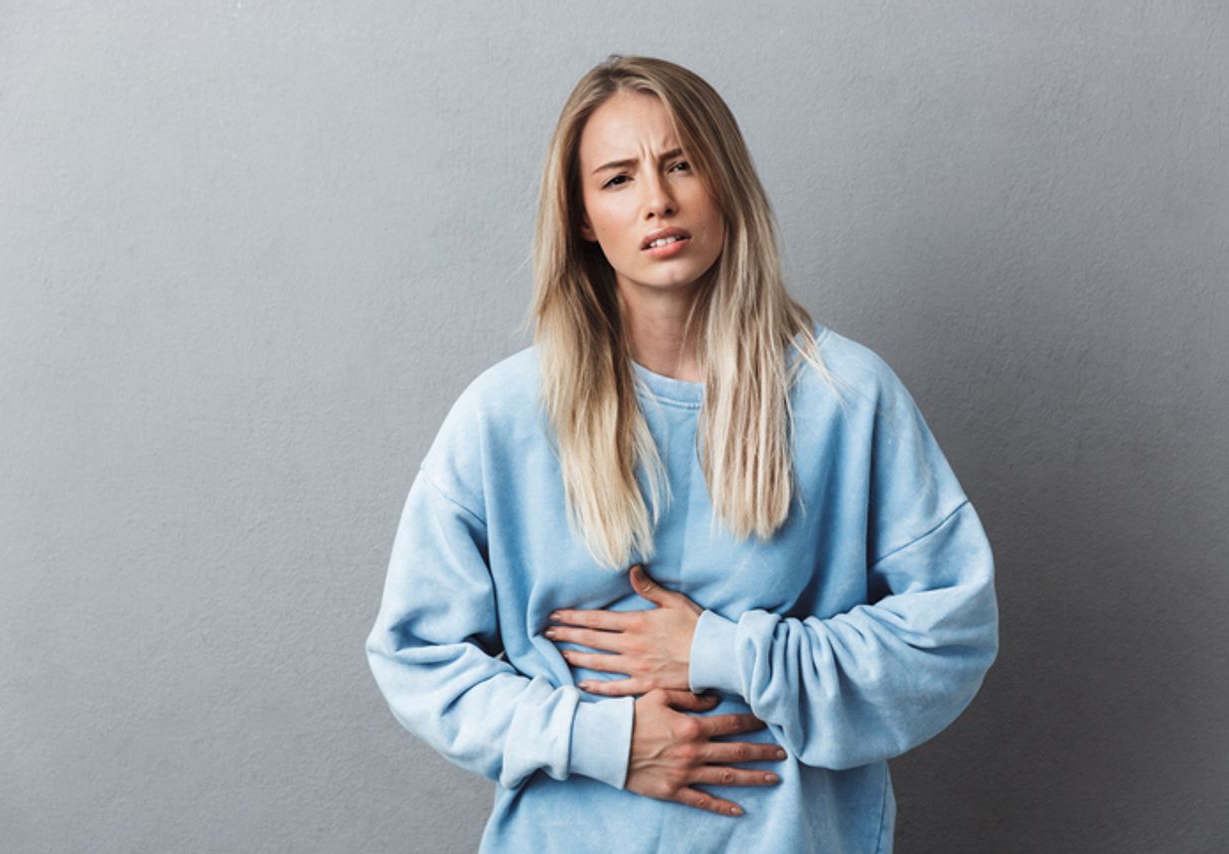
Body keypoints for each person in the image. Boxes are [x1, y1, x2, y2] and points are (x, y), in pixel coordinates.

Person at [366, 55, 998, 853]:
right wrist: (602, 740)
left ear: (725, 182)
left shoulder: (845, 397)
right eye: (619, 179)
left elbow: (951, 634)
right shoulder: (504, 415)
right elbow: (415, 657)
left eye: (681, 164)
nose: (658, 200)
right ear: (585, 218)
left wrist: (724, 651)